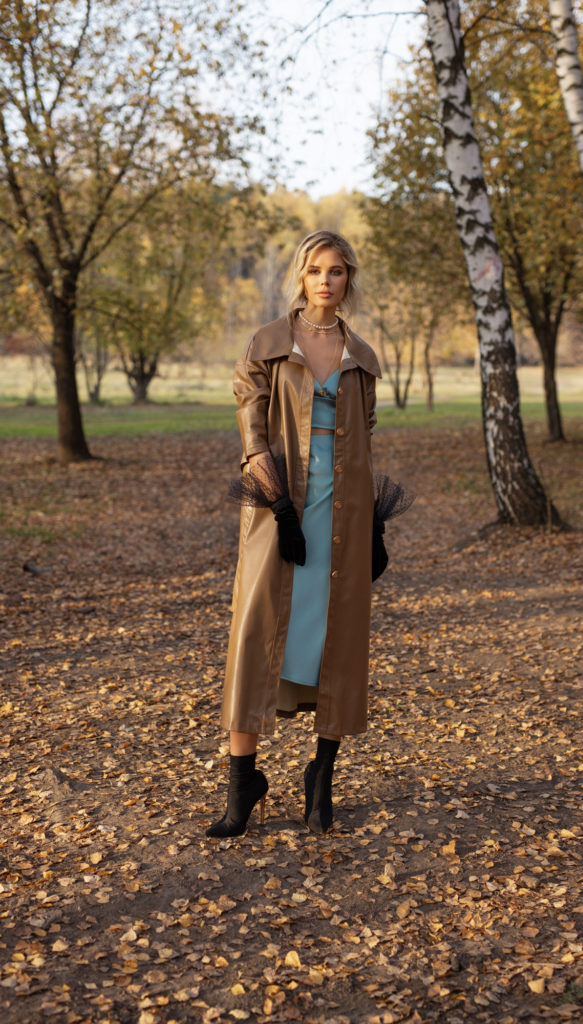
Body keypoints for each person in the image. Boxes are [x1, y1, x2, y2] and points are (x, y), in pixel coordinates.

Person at [206, 230, 382, 838]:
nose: (325, 281)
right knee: (255, 633)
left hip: (344, 516)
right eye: (315, 270)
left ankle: (321, 777)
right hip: (277, 506)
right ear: (301, 277)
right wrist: (281, 510)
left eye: (337, 271)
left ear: (348, 279)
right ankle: (242, 785)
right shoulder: (267, 346)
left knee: (338, 640)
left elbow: (364, 446)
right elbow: (253, 441)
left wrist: (373, 527)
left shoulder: (362, 357)